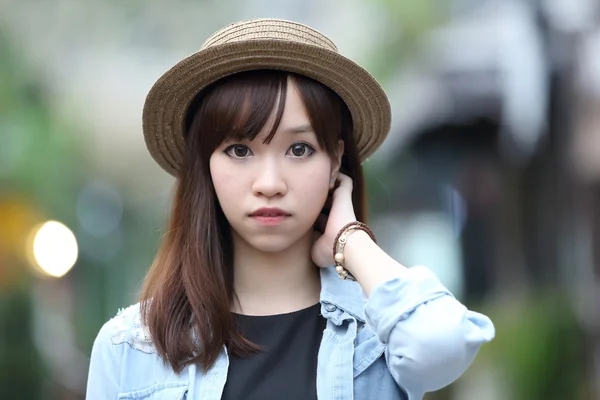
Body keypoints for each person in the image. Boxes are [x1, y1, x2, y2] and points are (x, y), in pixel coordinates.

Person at [86, 18, 495, 400]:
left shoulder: (380, 337)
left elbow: (443, 344)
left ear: (335, 161)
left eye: (299, 149)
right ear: (205, 165)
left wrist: (349, 241)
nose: (269, 184)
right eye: (239, 150)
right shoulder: (131, 348)